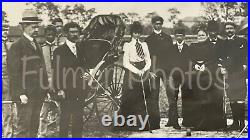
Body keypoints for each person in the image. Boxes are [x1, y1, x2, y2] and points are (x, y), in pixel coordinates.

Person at [7, 9, 48, 137]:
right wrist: (20, 93)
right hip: (25, 96)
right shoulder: (17, 46)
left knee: (34, 128)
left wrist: (45, 89)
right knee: (23, 128)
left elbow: (42, 69)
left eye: (37, 27)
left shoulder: (37, 44)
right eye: (33, 27)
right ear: (24, 27)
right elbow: (14, 72)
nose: (36, 30)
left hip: (38, 93)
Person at [120, 21, 160, 131]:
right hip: (132, 73)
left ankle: (147, 124)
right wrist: (137, 71)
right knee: (132, 97)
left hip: (143, 72)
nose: (137, 35)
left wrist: (145, 69)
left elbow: (148, 60)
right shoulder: (127, 45)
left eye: (139, 33)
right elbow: (125, 63)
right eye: (135, 33)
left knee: (145, 97)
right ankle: (131, 124)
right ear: (132, 33)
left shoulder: (144, 45)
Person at [188, 21, 227, 131]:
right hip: (198, 76)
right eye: (199, 35)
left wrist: (206, 66)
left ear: (206, 36)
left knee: (213, 99)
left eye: (203, 35)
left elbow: (214, 59)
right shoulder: (193, 46)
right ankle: (200, 123)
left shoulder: (212, 46)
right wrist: (195, 65)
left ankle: (215, 123)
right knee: (200, 98)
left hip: (211, 74)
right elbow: (189, 60)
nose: (201, 37)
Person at [53, 22, 88, 137]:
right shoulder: (59, 51)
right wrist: (59, 89)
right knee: (65, 119)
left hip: (80, 90)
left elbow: (83, 66)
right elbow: (57, 72)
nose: (74, 34)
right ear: (66, 33)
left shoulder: (81, 48)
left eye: (76, 32)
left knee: (78, 119)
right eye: (72, 32)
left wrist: (86, 75)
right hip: (66, 90)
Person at [145, 16, 178, 129]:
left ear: (162, 24)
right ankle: (154, 123)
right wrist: (149, 70)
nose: (158, 25)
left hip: (167, 71)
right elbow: (147, 58)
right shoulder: (148, 40)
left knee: (171, 95)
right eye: (156, 23)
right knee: (154, 97)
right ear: (152, 24)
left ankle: (174, 121)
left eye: (159, 23)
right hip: (154, 71)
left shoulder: (168, 38)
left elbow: (172, 55)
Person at [221, 22, 247, 131]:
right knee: (231, 98)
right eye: (227, 28)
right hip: (229, 73)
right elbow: (219, 57)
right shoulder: (222, 43)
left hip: (240, 72)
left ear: (235, 29)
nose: (229, 30)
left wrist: (246, 64)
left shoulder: (242, 41)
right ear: (225, 30)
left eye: (231, 28)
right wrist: (222, 67)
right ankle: (235, 122)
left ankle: (242, 123)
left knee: (240, 98)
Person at [38, 25, 59, 137]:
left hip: (58, 82)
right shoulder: (41, 48)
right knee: (43, 111)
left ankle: (60, 133)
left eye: (52, 34)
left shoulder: (59, 48)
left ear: (55, 35)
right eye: (48, 34)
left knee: (60, 108)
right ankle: (42, 133)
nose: (50, 36)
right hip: (45, 82)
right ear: (45, 35)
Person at [170, 28, 190, 128]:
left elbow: (190, 62)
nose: (179, 37)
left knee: (186, 98)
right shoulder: (171, 48)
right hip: (175, 77)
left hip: (185, 77)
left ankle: (186, 120)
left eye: (181, 35)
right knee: (174, 98)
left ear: (184, 36)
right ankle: (175, 122)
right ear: (175, 36)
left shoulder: (188, 48)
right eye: (177, 35)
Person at [2, 19, 15, 138]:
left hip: (7, 80)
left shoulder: (11, 45)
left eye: (6, 29)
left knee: (7, 110)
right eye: (2, 29)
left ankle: (7, 135)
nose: (4, 31)